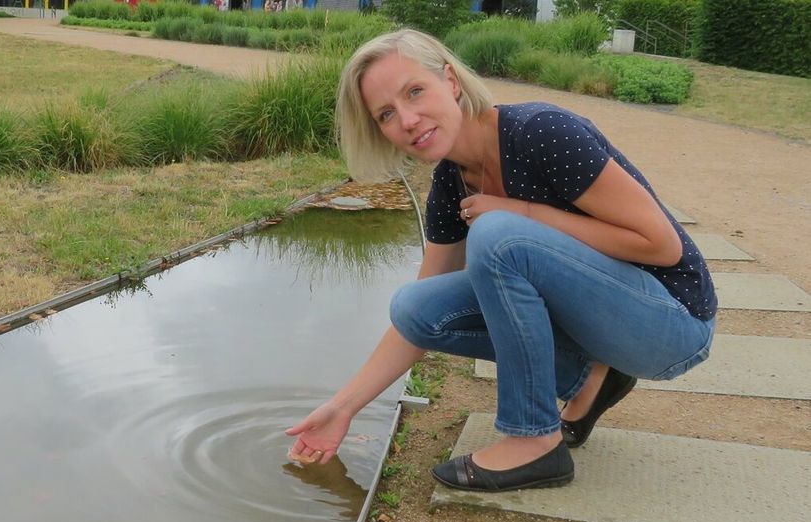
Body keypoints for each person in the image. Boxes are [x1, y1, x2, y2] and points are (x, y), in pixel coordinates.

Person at [286, 29, 717, 492]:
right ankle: (588, 378)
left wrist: (522, 212)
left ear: (450, 81)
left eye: (415, 91)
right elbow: (417, 322)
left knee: (497, 235)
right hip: (608, 328)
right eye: (386, 114)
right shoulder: (451, 185)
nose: (407, 120)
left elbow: (661, 245)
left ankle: (534, 441)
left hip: (671, 323)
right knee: (415, 306)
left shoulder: (542, 133)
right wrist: (344, 407)